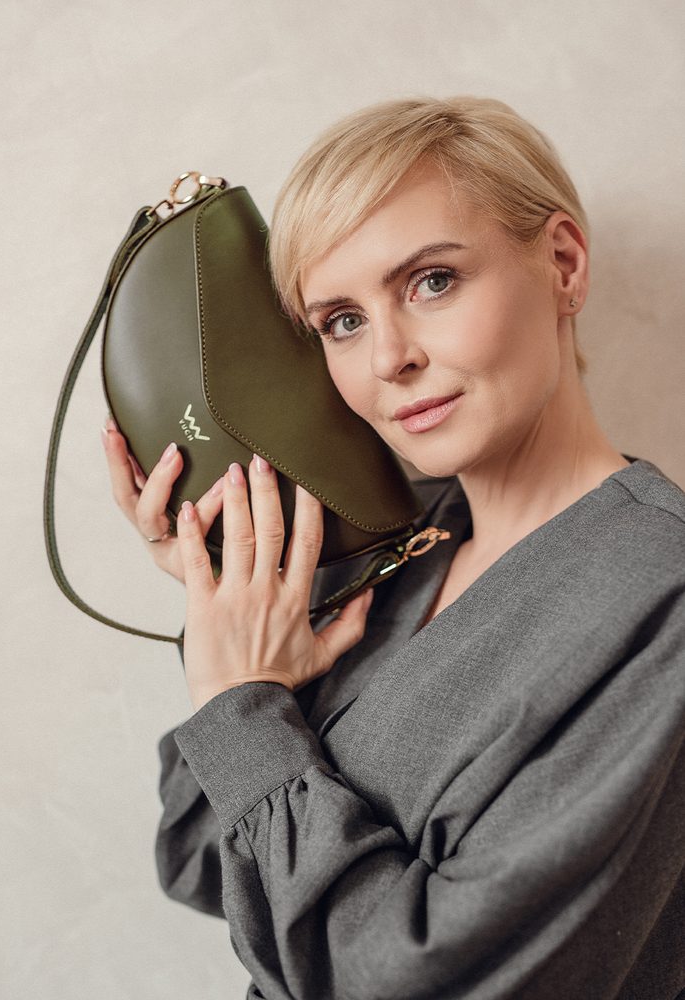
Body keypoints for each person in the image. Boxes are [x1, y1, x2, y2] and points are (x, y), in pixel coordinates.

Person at [101, 97, 685, 999]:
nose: (388, 359)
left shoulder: (657, 601)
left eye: (431, 282)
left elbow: (419, 979)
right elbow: (200, 860)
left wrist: (242, 706)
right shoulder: (386, 549)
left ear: (563, 264)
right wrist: (228, 612)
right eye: (342, 320)